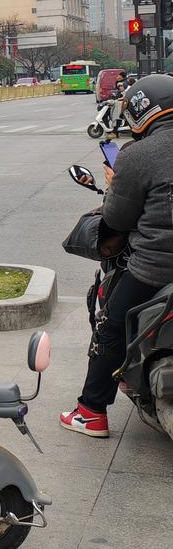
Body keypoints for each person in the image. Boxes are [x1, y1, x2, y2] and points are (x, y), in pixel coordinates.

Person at [61, 74, 173, 437]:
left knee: (111, 324)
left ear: (142, 112)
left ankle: (91, 411)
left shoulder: (138, 155)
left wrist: (114, 186)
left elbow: (118, 219)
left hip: (155, 268)